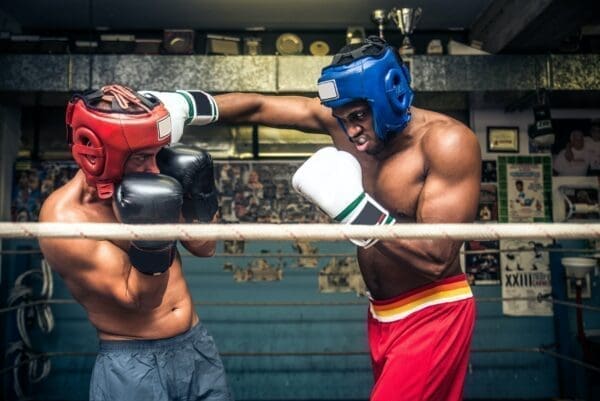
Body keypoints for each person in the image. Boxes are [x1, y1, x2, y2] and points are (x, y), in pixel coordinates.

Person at [151, 36, 481, 401]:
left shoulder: (446, 142)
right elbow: (258, 107)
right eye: (341, 119)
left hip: (433, 312)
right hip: (382, 313)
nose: (350, 131)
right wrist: (184, 105)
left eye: (358, 117)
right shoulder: (346, 124)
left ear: (392, 95)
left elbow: (437, 258)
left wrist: (357, 211)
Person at [38, 85, 232, 401]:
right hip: (132, 362)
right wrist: (154, 231)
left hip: (195, 344)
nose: (155, 169)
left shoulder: (152, 179)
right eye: (142, 157)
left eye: (157, 154)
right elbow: (141, 300)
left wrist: (201, 197)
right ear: (101, 155)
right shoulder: (65, 220)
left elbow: (204, 247)